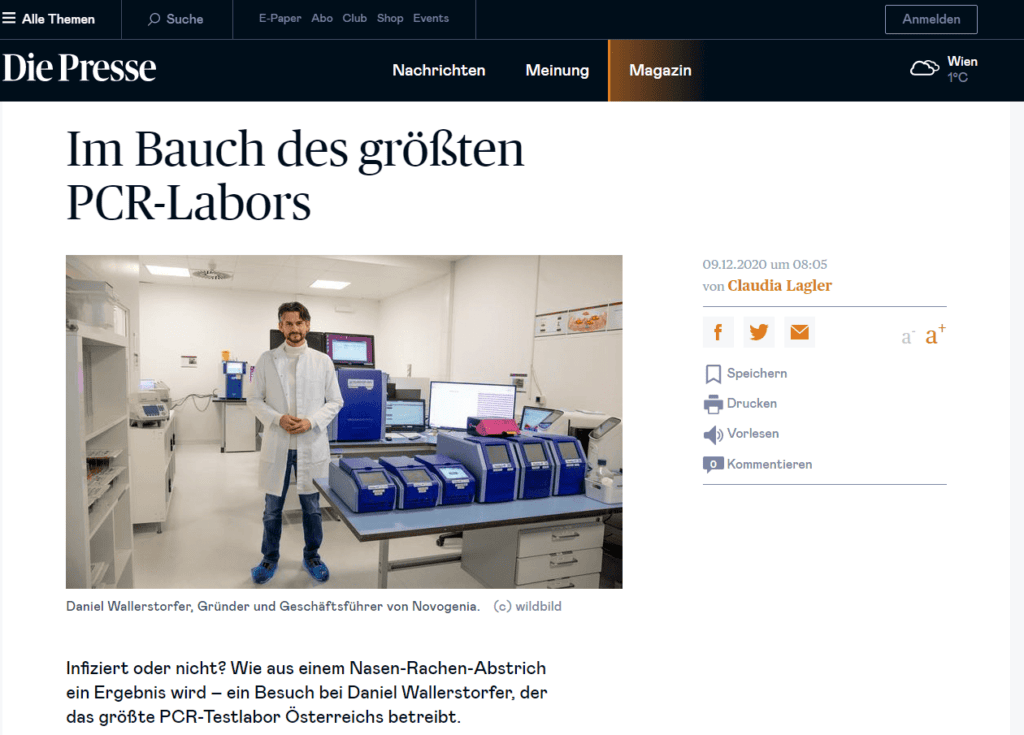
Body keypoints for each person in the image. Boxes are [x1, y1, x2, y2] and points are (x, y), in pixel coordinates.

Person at [248, 302, 343, 584]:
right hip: (279, 443)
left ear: (308, 325)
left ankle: (312, 555)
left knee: (312, 508)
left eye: (299, 323)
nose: (294, 329)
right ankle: (269, 558)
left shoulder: (322, 361)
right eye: (288, 324)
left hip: (310, 443)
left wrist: (311, 422)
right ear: (280, 327)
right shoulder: (266, 360)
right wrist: (278, 419)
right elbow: (253, 400)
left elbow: (336, 401)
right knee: (272, 509)